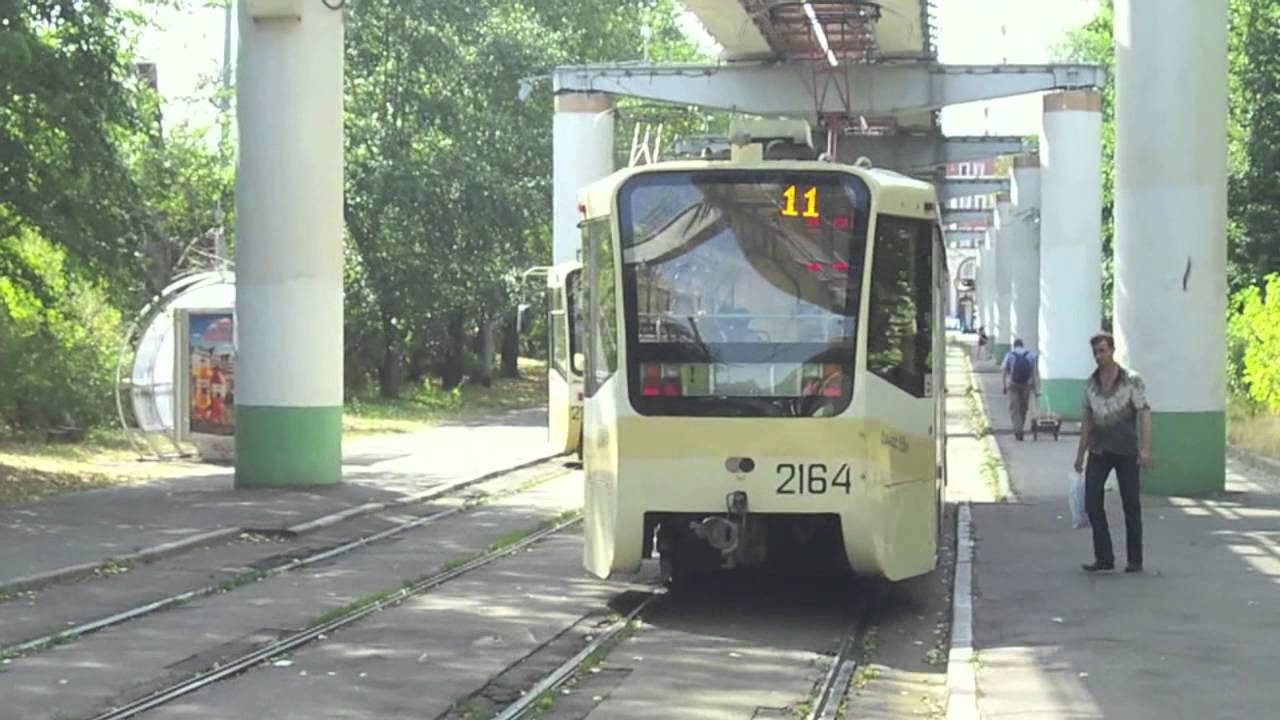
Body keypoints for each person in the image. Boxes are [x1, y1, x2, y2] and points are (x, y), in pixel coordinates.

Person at [1073, 332, 1153, 573]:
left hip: (1126, 449)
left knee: (1131, 503)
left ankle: (1135, 559)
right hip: (1099, 450)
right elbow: (1087, 420)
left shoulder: (1131, 380)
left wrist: (1145, 448)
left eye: (1102, 351)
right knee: (1092, 500)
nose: (1099, 356)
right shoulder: (1091, 384)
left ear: (1112, 350)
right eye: (1095, 352)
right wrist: (1080, 454)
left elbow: (1144, 413)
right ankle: (1104, 557)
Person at [1001, 339, 1039, 440]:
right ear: (1023, 345)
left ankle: (1018, 430)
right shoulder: (1031, 355)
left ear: (1014, 346)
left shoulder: (1010, 355)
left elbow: (1004, 370)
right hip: (1027, 385)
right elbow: (1034, 373)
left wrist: (1004, 385)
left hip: (1013, 385)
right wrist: (1036, 389)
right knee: (1023, 407)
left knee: (1014, 408)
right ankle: (1020, 427)